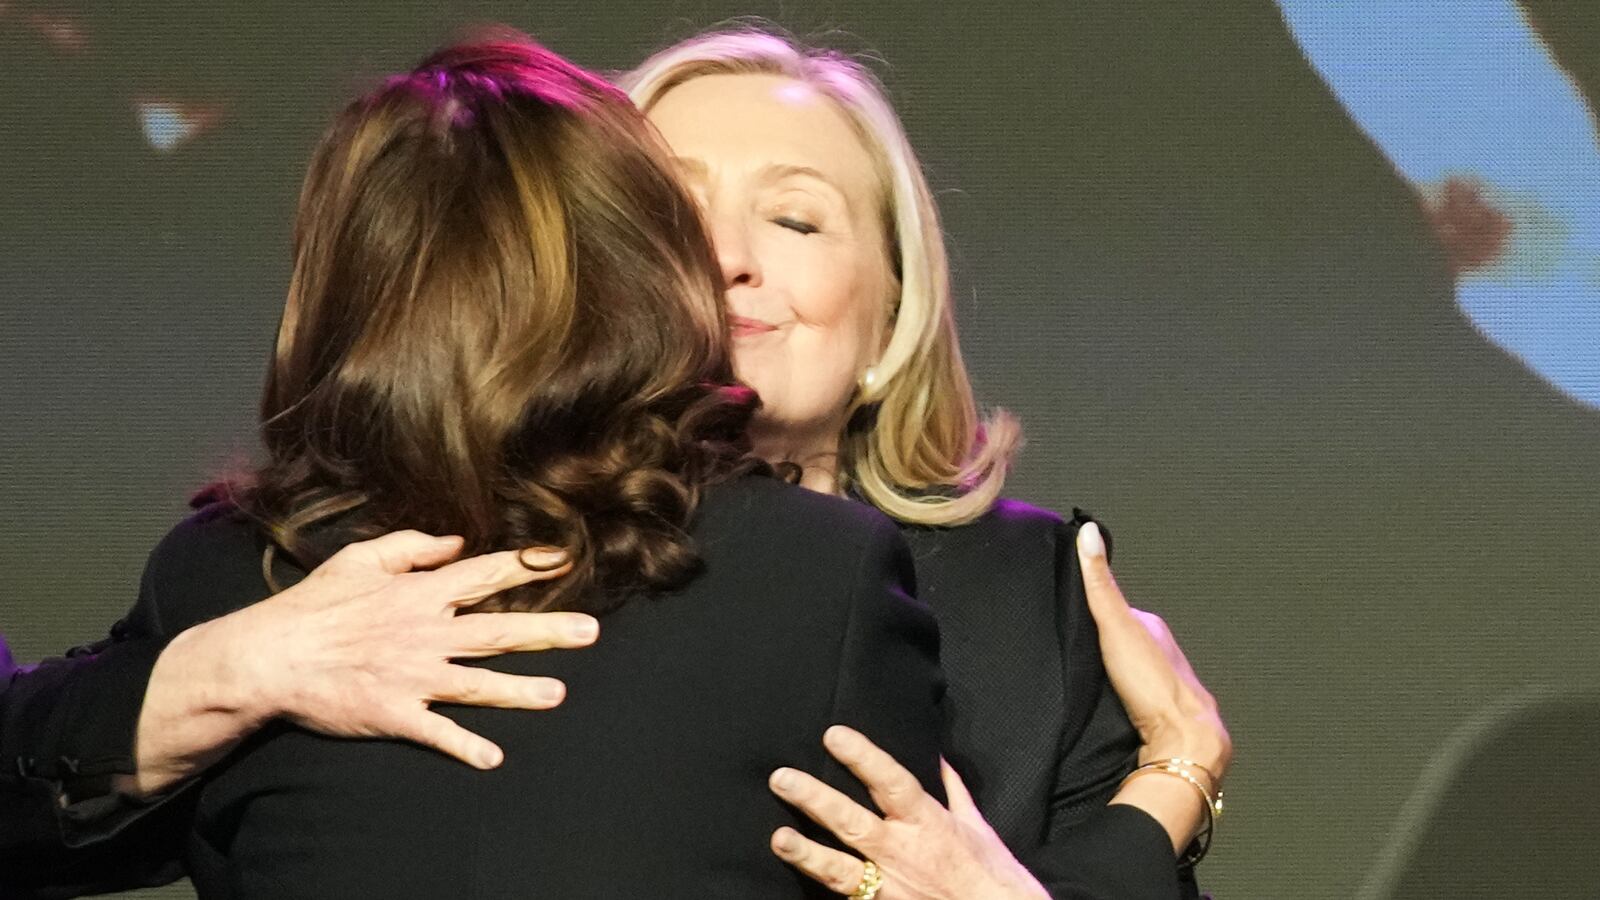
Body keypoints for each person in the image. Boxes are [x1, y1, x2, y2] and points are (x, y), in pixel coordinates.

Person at [2, 33, 946, 899]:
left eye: (796, 219)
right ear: (645, 268)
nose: (726, 261)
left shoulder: (242, 566)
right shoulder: (821, 573)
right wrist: (235, 668)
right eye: (689, 215)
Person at [619, 28, 1230, 899]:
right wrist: (1175, 777)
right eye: (670, 211)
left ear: (890, 311)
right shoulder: (465, 568)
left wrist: (1174, 768)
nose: (727, 260)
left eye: (795, 219)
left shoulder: (1028, 603)